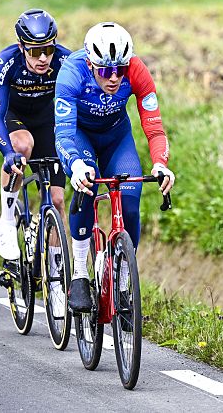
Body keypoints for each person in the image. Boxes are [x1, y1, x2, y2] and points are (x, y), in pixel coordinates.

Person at [54, 21, 175, 312]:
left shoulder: (137, 71)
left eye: (120, 70)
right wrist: (76, 164)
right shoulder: (71, 73)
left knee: (131, 202)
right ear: (90, 63)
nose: (114, 78)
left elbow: (155, 129)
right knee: (86, 185)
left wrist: (160, 164)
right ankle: (80, 273)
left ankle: (121, 279)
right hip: (79, 135)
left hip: (116, 136)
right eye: (106, 71)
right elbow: (64, 133)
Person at [0, 9, 73, 267]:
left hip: (47, 122)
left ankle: (56, 271)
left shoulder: (65, 61)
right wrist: (7, 152)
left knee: (57, 201)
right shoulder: (7, 62)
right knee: (23, 144)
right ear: (21, 46)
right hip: (14, 119)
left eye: (49, 49)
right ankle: (7, 219)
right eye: (35, 52)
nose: (44, 58)